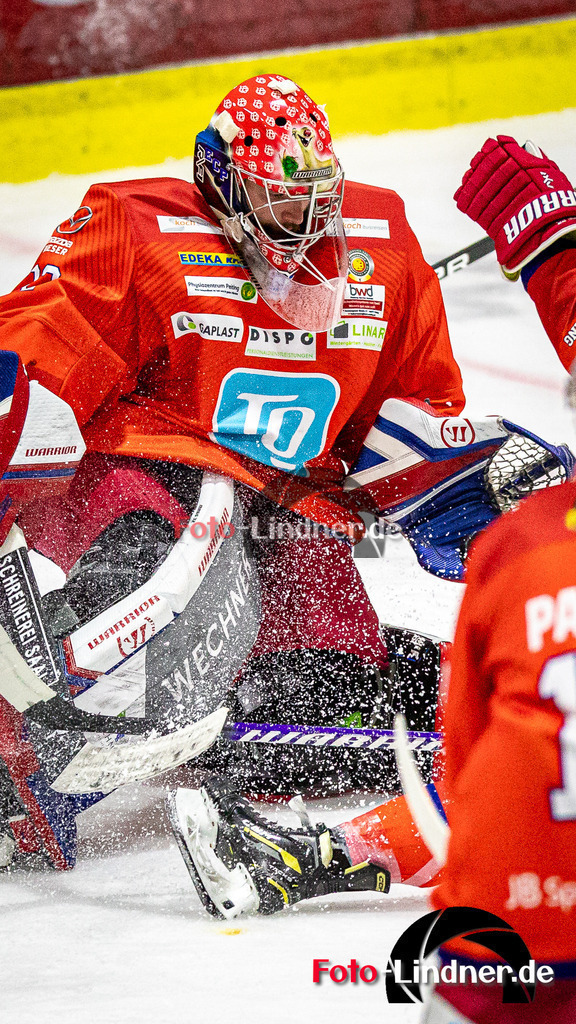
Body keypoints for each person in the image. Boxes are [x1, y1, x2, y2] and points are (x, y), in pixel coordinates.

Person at [0, 83, 571, 876]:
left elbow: (407, 415)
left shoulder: (385, 250)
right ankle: (24, 744)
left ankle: (462, 677)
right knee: (138, 598)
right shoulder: (135, 232)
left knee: (318, 716)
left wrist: (459, 478)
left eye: (317, 202)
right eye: (280, 204)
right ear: (225, 182)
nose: (306, 230)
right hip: (149, 484)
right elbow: (34, 359)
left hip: (293, 519)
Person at [170, 136, 576, 1022]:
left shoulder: (538, 551)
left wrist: (557, 250)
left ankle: (312, 851)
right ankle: (311, 852)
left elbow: (484, 760)